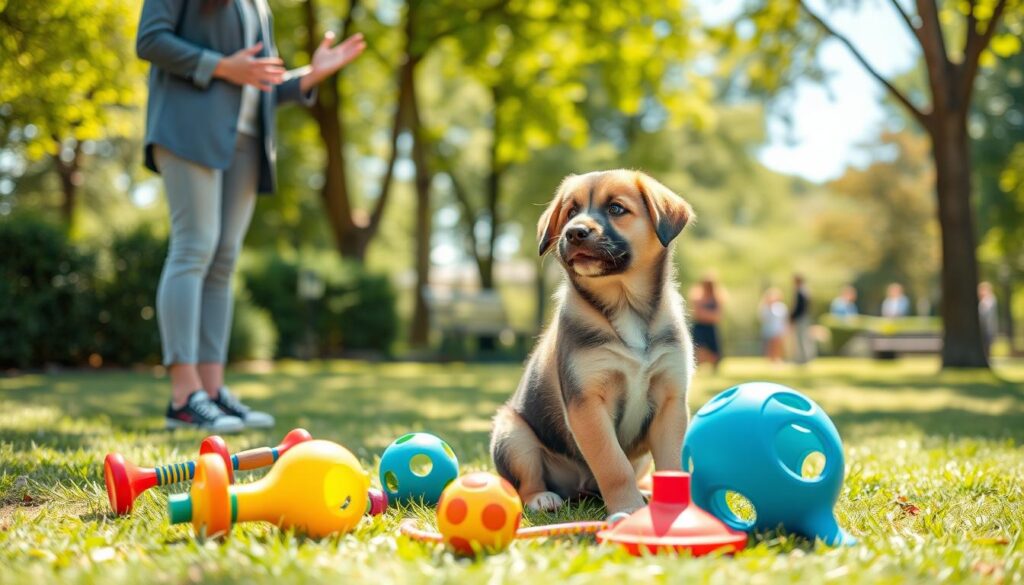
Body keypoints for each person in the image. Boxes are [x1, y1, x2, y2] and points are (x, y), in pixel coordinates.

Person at [137, 0, 366, 431]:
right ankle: (184, 396)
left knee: (223, 261)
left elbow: (260, 84)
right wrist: (222, 66)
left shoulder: (258, 4)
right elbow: (150, 40)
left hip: (246, 141)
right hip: (188, 130)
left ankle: (212, 391)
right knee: (194, 247)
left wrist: (309, 75)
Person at [689, 275, 725, 371]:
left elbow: (717, 316)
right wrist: (710, 315)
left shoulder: (717, 298)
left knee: (714, 353)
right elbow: (697, 314)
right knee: (699, 348)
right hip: (700, 328)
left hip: (711, 328)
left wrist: (704, 314)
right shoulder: (697, 297)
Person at [790, 274, 815, 364]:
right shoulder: (806, 291)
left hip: (801, 318)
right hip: (805, 317)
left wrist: (792, 317)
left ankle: (803, 359)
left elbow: (798, 307)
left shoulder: (800, 292)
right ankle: (806, 357)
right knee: (804, 338)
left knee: (801, 338)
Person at [759, 287, 787, 363]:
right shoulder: (766, 307)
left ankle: (777, 358)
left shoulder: (781, 307)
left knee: (778, 344)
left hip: (778, 329)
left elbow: (784, 318)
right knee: (770, 345)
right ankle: (771, 358)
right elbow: (763, 317)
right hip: (769, 329)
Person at [978, 281, 998, 357]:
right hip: (985, 329)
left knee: (986, 346)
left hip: (987, 329)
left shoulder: (989, 300)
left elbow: (984, 314)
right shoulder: (986, 300)